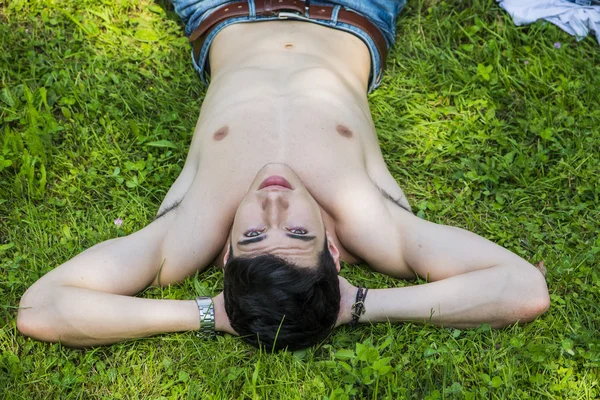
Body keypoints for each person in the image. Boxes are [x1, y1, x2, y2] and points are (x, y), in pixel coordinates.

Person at [16, 0, 550, 351]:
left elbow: (42, 307)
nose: (274, 206)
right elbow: (523, 288)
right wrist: (359, 305)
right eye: (298, 233)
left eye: (252, 235)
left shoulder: (187, 235)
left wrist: (207, 314)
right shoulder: (376, 227)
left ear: (225, 255)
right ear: (334, 256)